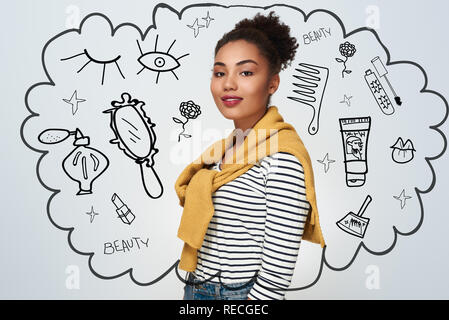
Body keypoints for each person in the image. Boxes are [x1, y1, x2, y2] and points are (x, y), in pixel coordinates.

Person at [175, 11, 325, 300]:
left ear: (272, 84)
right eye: (220, 72)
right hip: (197, 288)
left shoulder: (282, 158)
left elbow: (277, 273)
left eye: (245, 72)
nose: (228, 83)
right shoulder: (223, 150)